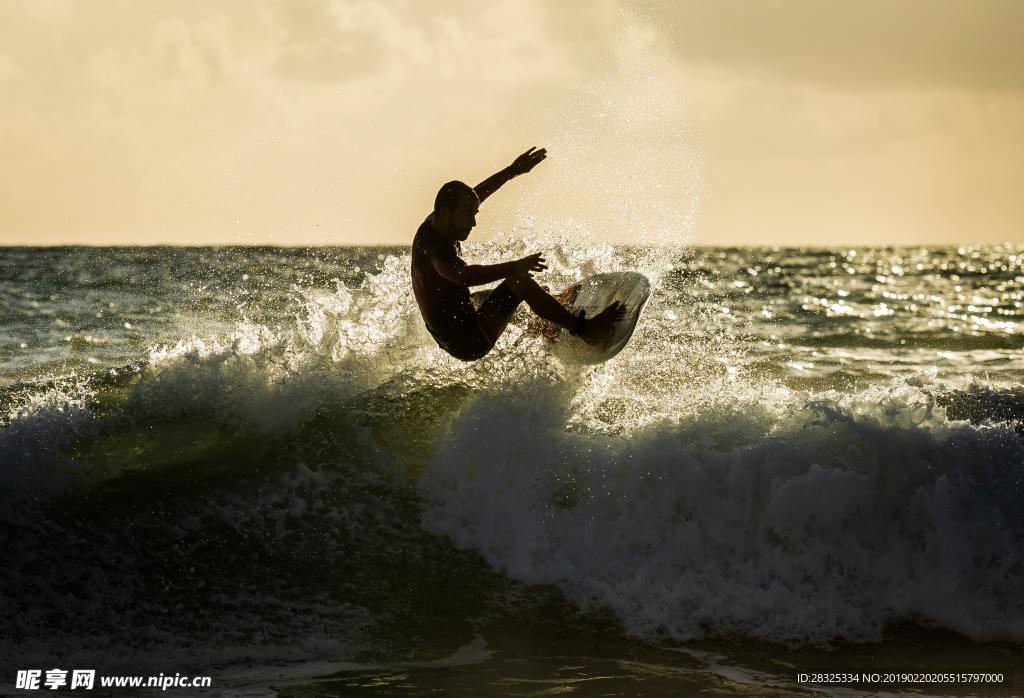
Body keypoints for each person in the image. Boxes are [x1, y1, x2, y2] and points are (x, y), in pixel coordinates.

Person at [411, 146, 623, 361]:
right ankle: (585, 330)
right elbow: (461, 276)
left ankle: (544, 325)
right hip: (469, 340)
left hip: (451, 334)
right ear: (446, 212)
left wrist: (512, 171)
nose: (473, 222)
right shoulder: (436, 248)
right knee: (520, 283)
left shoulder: (437, 222)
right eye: (468, 215)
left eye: (474, 213)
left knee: (481, 298)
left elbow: (478, 193)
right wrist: (514, 267)